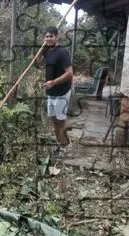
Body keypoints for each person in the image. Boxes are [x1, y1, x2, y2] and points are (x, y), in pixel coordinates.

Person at [37, 27, 73, 155]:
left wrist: (54, 82)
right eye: (46, 36)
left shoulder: (62, 52)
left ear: (57, 37)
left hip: (62, 91)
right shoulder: (47, 51)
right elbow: (38, 63)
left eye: (51, 36)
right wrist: (42, 48)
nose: (48, 39)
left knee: (60, 120)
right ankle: (61, 143)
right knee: (54, 119)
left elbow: (70, 74)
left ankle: (64, 147)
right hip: (50, 92)